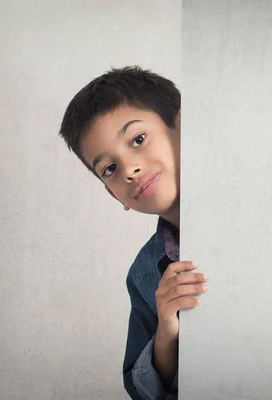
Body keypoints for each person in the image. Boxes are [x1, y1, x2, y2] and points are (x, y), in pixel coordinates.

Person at [59, 66, 207, 399]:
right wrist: (168, 328)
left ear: (183, 125)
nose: (130, 169)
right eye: (110, 168)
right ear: (113, 195)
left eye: (138, 140)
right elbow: (146, 392)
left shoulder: (264, 211)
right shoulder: (143, 275)